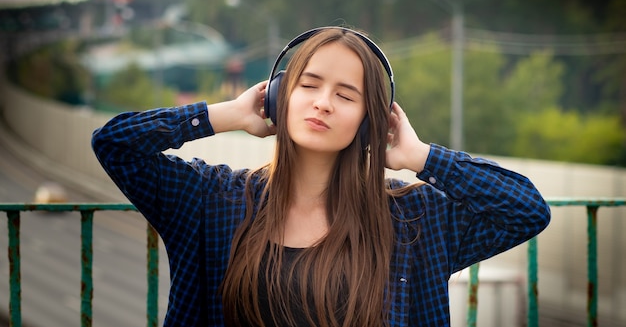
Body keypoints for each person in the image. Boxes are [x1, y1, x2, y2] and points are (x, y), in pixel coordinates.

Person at [92, 26, 551, 327]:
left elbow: (525, 210)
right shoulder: (212, 200)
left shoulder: (413, 220)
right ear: (277, 98)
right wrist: (226, 113)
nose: (323, 102)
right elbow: (115, 144)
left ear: (371, 121)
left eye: (346, 95)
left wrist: (419, 156)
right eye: (308, 85)